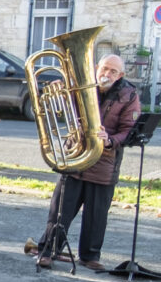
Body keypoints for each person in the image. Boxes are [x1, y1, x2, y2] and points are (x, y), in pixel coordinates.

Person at [32, 54, 139, 270]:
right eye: (105, 68)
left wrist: (110, 140)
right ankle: (48, 251)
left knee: (96, 216)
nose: (107, 74)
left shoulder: (129, 95)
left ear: (120, 75)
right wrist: (57, 92)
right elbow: (61, 107)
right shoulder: (81, 83)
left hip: (104, 163)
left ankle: (90, 256)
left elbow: (129, 130)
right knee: (60, 211)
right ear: (97, 67)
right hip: (75, 157)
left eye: (113, 71)